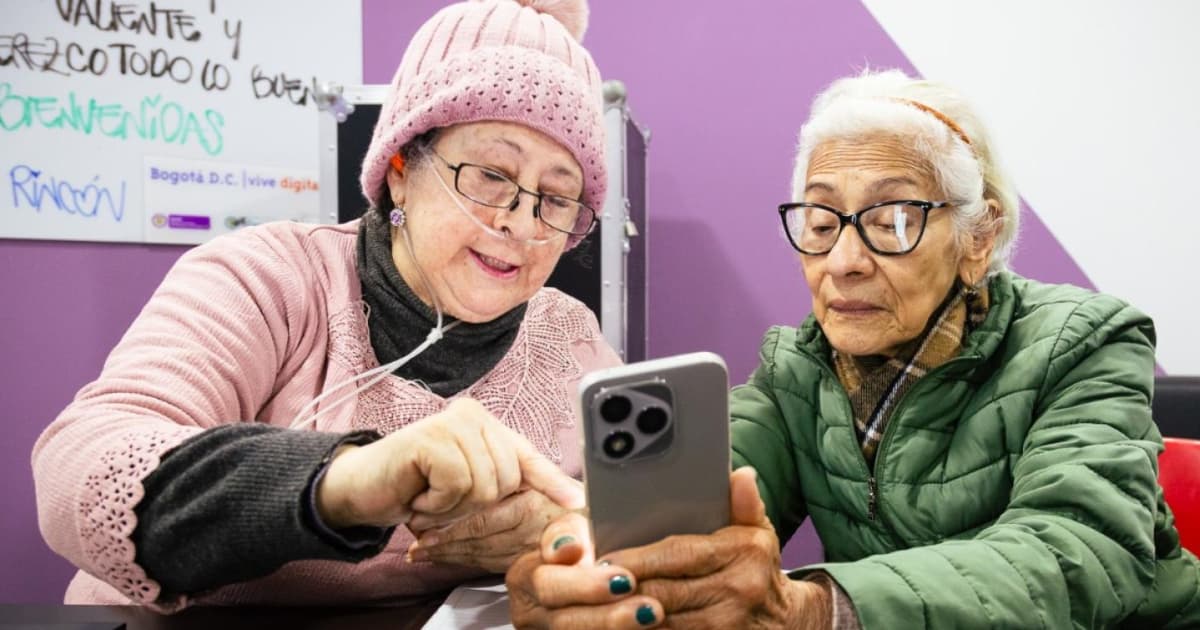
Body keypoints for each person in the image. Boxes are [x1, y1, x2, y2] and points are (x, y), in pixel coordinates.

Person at [506, 70, 1200, 629]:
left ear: (979, 238)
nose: (842, 261)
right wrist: (589, 560)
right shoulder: (796, 372)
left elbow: (1077, 554)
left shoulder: (1086, 343)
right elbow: (699, 501)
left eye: (892, 219)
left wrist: (814, 611)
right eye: (820, 220)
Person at [31, 0, 620, 611]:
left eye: (557, 198)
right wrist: (347, 481)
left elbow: (634, 521)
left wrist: (570, 528)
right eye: (491, 174)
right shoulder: (268, 279)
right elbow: (81, 470)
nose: (521, 222)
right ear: (400, 170)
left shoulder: (569, 337)